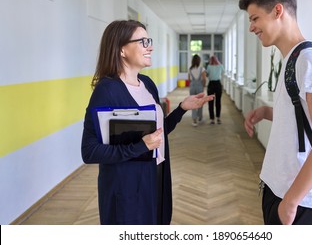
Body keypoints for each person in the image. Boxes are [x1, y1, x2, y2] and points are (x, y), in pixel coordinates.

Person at [81, 19, 213, 225]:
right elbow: (89, 152)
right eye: (143, 41)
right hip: (126, 185)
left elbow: (153, 136)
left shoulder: (148, 85)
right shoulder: (107, 90)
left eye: (148, 40)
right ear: (121, 50)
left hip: (155, 175)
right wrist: (139, 147)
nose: (150, 46)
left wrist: (180, 110)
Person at [239, 0, 312, 225]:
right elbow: (304, 116)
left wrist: (292, 201)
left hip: (299, 200)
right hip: (280, 189)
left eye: (255, 18)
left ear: (277, 11)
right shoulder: (292, 58)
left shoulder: (310, 61)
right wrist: (266, 111)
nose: (252, 27)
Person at [188, 54, 207, 126]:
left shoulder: (190, 69)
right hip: (199, 86)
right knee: (200, 102)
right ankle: (200, 118)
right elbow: (204, 79)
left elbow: (189, 79)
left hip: (192, 86)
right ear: (199, 61)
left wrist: (192, 84)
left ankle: (194, 120)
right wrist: (204, 86)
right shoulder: (202, 69)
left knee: (193, 102)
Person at [206, 55, 224, 124]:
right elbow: (223, 72)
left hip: (211, 84)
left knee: (210, 102)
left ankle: (212, 119)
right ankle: (218, 118)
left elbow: (207, 75)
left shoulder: (209, 66)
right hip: (218, 84)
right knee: (218, 102)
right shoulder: (220, 66)